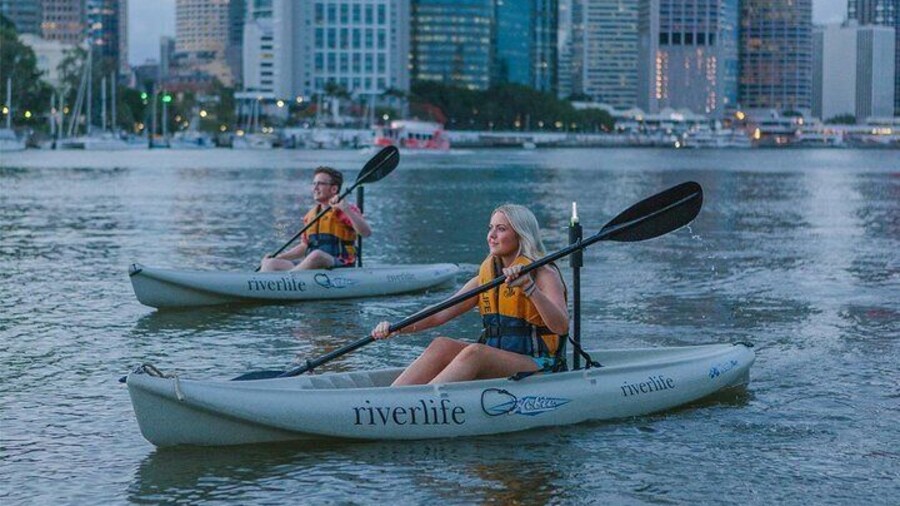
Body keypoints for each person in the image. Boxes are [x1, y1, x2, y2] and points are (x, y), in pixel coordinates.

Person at [371, 204, 569, 385]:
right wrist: (397, 328)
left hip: (540, 362)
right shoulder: (485, 279)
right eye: (490, 228)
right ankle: (389, 400)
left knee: (475, 352)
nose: (491, 235)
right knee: (441, 345)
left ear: (521, 235)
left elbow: (561, 327)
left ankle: (421, 405)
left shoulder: (544, 274)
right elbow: (439, 313)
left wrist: (530, 289)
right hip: (499, 356)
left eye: (501, 229)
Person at [260, 166, 372, 271]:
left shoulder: (346, 209)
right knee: (270, 263)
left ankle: (288, 280)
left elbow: (366, 233)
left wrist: (347, 210)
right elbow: (305, 246)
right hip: (312, 266)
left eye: (320, 184)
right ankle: (262, 285)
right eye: (314, 183)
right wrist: (280, 256)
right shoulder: (310, 215)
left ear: (334, 189)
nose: (315, 188)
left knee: (317, 255)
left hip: (340, 264)